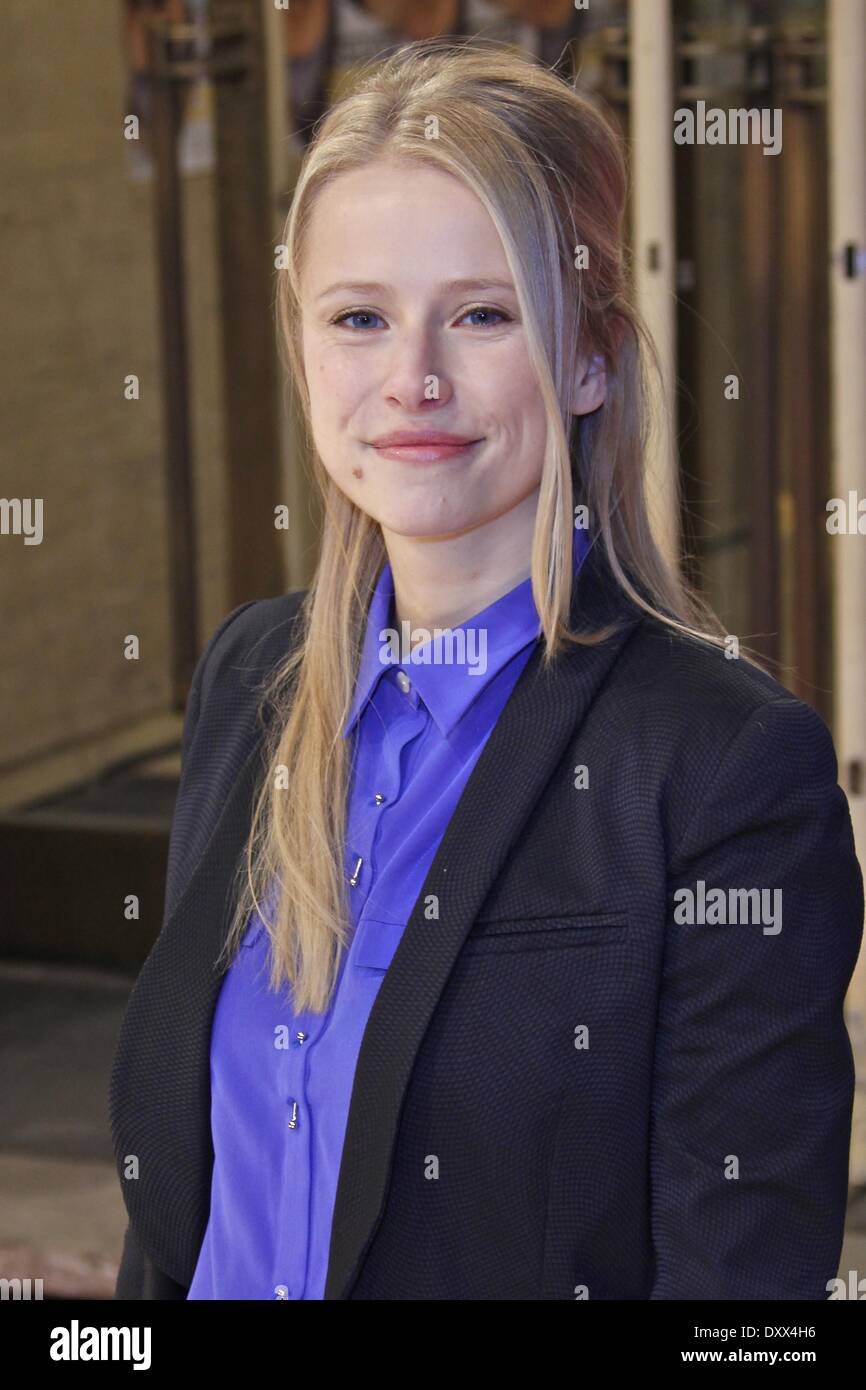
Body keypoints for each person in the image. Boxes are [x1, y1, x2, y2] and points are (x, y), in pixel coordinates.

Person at [110, 38, 863, 1300]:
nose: (411, 379)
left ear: (587, 358)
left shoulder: (722, 774)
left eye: (481, 314)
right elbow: (182, 1204)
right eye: (358, 318)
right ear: (305, 358)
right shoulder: (254, 679)